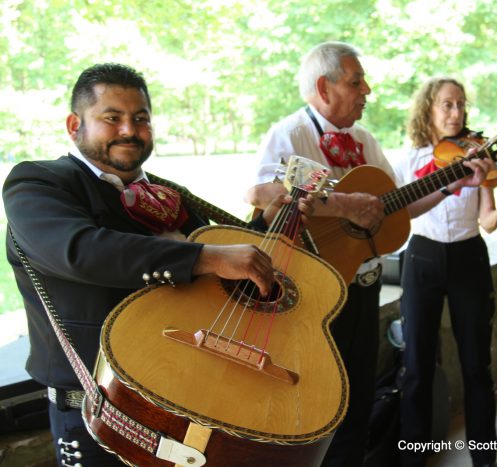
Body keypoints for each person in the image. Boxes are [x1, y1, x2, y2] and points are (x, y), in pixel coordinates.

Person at [3, 63, 311, 467]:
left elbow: (221, 272)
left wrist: (264, 226)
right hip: (95, 410)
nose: (129, 130)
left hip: (188, 403)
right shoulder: (38, 182)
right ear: (74, 124)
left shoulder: (165, 194)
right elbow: (79, 250)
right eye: (112, 118)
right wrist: (205, 256)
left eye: (141, 119)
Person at [245, 44, 491, 467]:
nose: (368, 90)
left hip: (362, 287)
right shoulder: (290, 134)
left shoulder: (363, 140)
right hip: (313, 292)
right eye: (356, 81)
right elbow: (262, 195)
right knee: (317, 403)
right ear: (323, 87)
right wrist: (344, 205)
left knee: (357, 403)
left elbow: (397, 205)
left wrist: (451, 184)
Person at [392, 77, 497, 467]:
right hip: (422, 257)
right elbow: (399, 213)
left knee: (477, 366)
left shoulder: (476, 154)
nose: (456, 113)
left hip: (469, 256)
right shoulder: (411, 160)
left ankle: (485, 460)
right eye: (447, 105)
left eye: (461, 105)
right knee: (416, 365)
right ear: (428, 109)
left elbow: (488, 221)